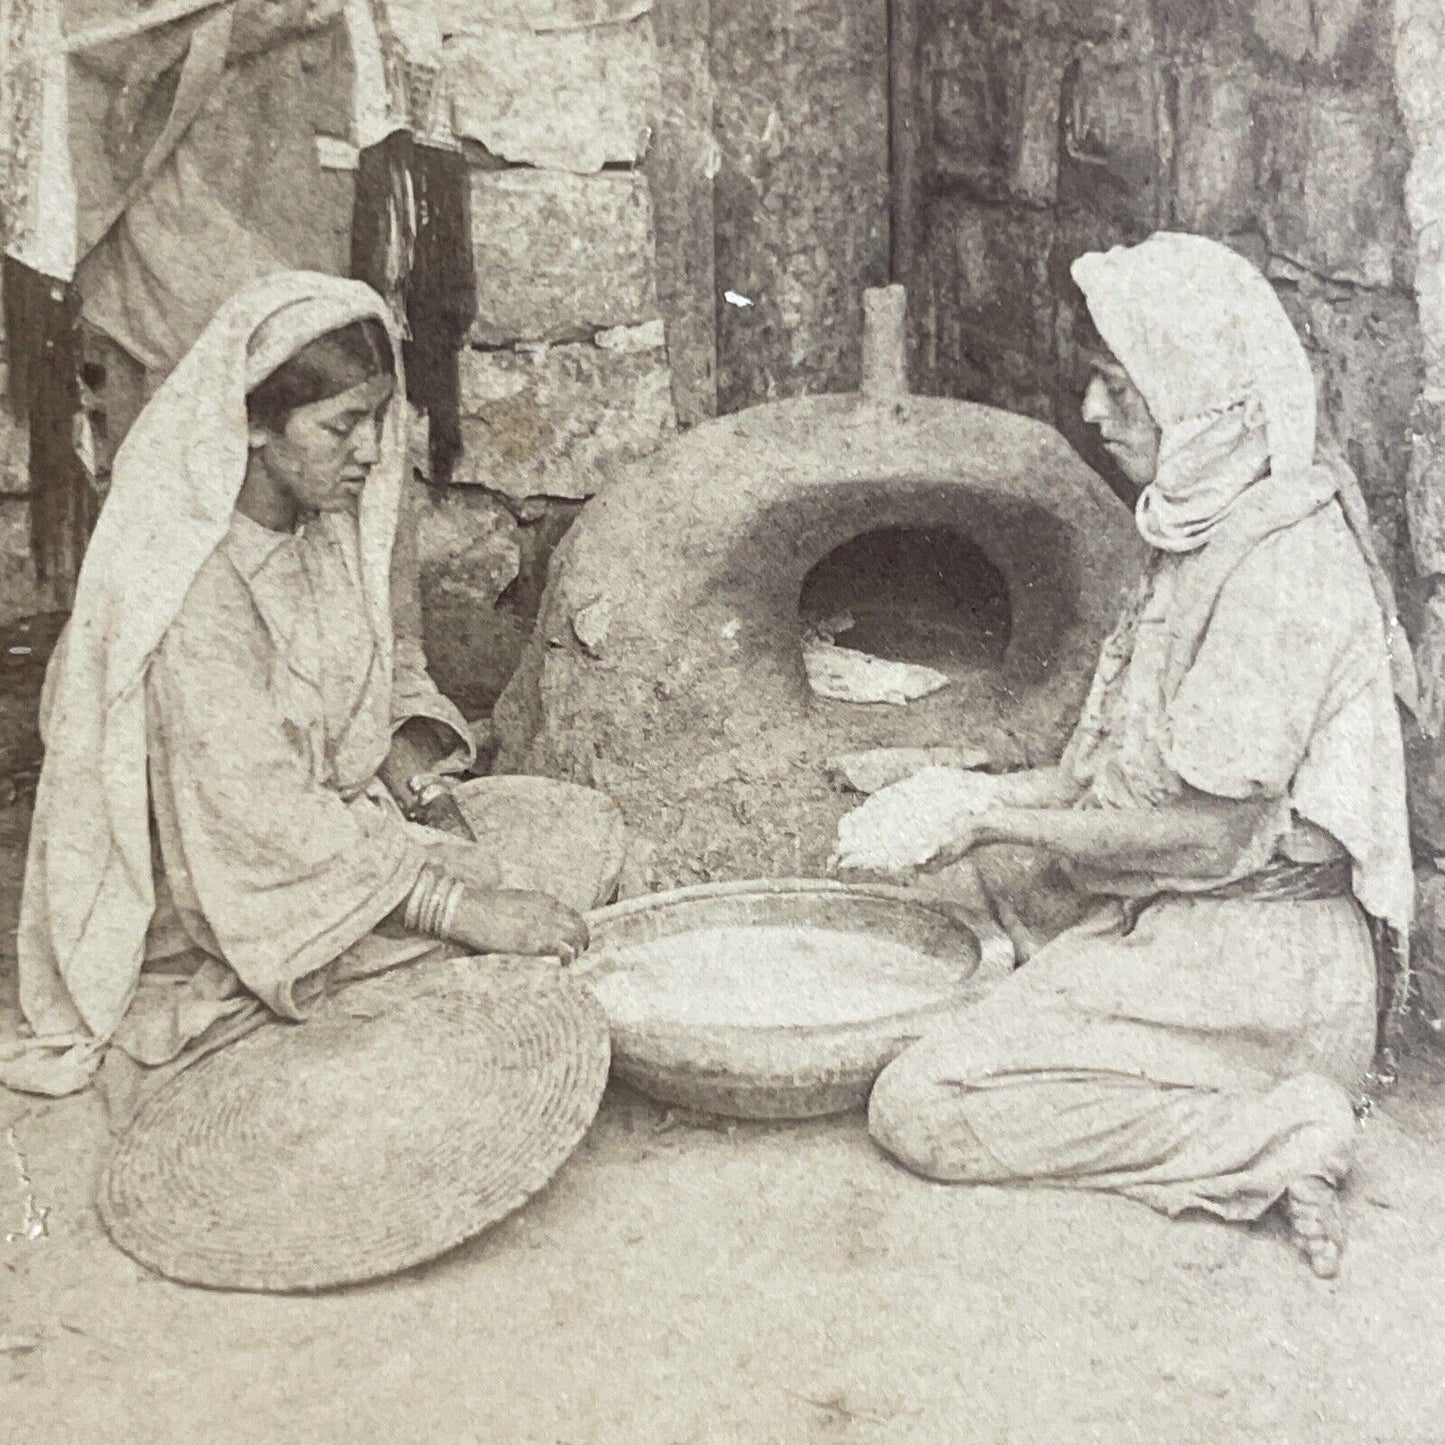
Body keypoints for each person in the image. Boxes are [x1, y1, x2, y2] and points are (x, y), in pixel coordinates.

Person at [835, 233, 1416, 1278]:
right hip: (1191, 917)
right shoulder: (1201, 526)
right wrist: (949, 790)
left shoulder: (1285, 565)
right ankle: (1107, 1038)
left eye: (1117, 388)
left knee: (917, 1102)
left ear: (1200, 395)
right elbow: (1096, 781)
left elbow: (1210, 835)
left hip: (1262, 965)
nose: (1092, 415)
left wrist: (985, 816)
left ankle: (1272, 1133)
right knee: (971, 904)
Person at [2, 272, 620, 1099]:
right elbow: (254, 820)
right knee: (485, 952)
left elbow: (371, 680)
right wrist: (455, 907)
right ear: (254, 425)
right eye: (341, 426)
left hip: (327, 842)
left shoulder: (322, 529)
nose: (368, 450)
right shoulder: (194, 596)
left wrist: (420, 778)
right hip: (224, 895)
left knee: (576, 839)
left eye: (376, 421)